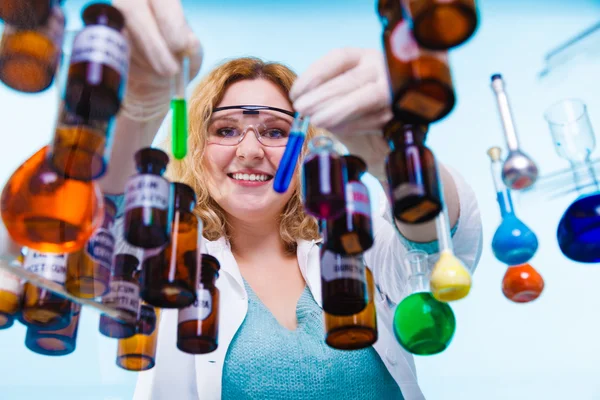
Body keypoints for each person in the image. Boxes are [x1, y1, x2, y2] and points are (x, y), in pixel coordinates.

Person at [100, 1, 484, 399]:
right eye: (227, 131)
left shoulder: (355, 248)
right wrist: (136, 114)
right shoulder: (165, 258)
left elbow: (442, 248)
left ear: (305, 151)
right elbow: (89, 231)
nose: (249, 150)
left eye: (275, 131)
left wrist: (398, 163)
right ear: (195, 149)